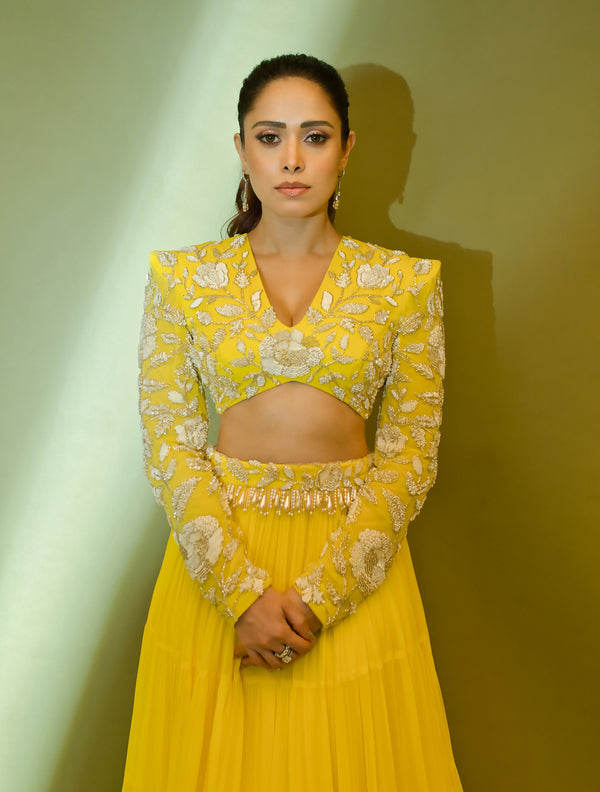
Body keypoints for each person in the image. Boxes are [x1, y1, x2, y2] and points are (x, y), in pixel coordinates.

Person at [122, 53, 463, 791]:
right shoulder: (183, 281)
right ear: (242, 148)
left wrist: (320, 598)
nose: (292, 160)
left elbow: (412, 455)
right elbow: (169, 446)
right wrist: (242, 595)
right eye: (270, 136)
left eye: (315, 136)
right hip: (217, 567)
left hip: (355, 572)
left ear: (347, 148)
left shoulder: (406, 284)